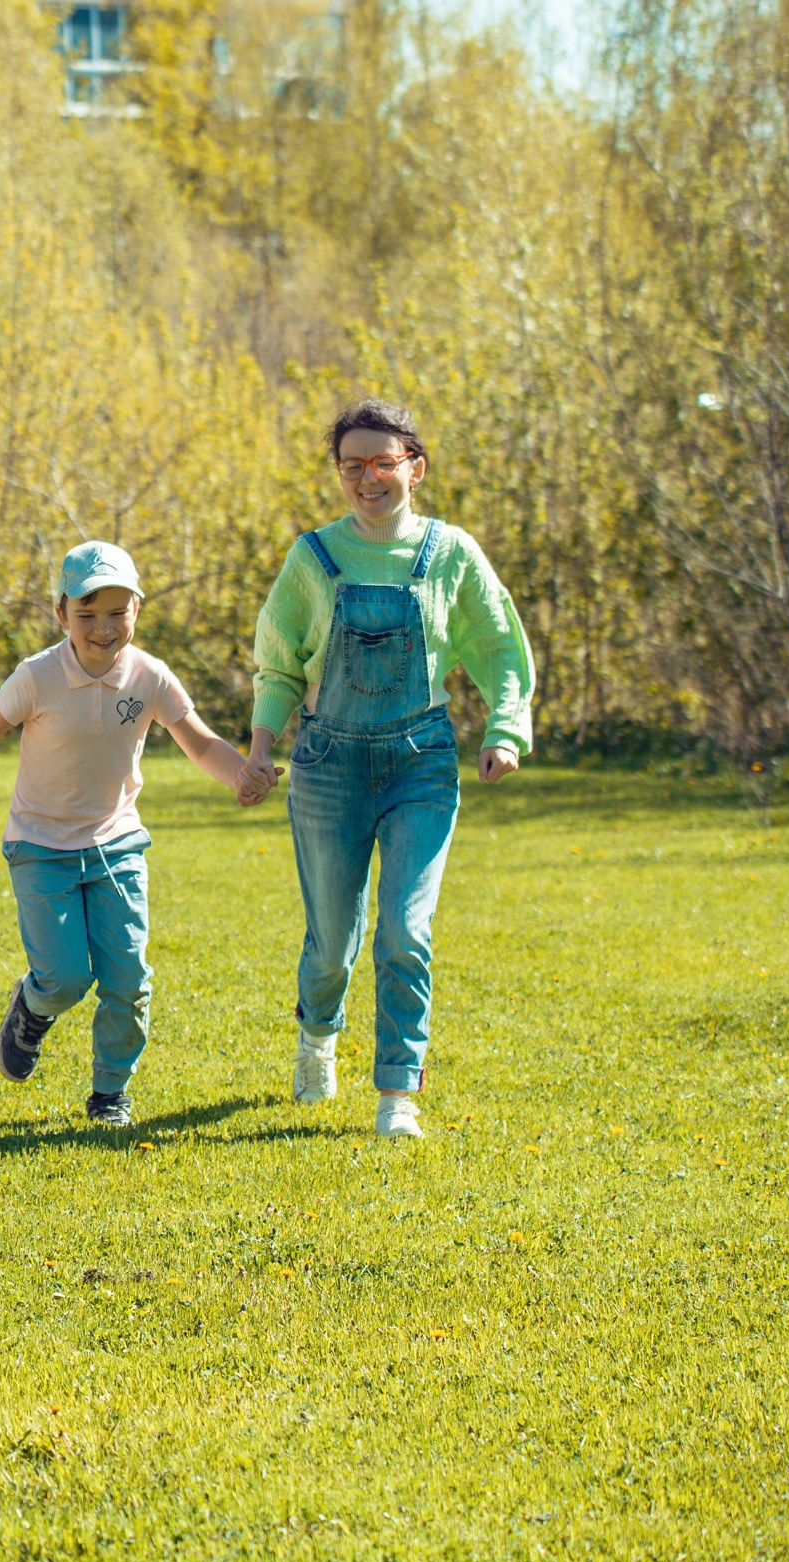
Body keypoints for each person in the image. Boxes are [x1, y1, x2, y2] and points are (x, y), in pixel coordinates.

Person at [238, 398, 535, 1139]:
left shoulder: (451, 553)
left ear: (415, 468)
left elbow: (499, 644)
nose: (367, 478)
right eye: (352, 466)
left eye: (383, 463)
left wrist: (506, 728)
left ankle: (399, 1093)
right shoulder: (314, 557)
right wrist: (262, 746)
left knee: (405, 932)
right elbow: (278, 664)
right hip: (327, 765)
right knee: (331, 944)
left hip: (419, 763)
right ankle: (317, 1040)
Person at [0, 541, 262, 1128]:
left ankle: (109, 1093)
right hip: (40, 847)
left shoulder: (149, 676)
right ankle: (33, 1005)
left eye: (117, 611)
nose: (102, 627)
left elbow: (198, 741)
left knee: (129, 979)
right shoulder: (37, 676)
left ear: (137, 609)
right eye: (87, 613)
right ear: (61, 613)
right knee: (64, 978)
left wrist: (240, 773)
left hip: (117, 844)